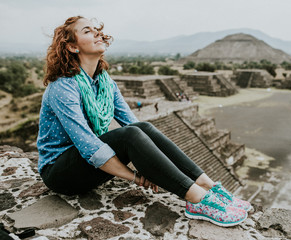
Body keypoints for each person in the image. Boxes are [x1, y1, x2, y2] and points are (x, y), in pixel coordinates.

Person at [36, 16, 250, 227]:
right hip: (60, 173)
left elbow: (136, 127)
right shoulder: (63, 87)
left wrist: (150, 164)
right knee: (129, 134)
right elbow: (88, 145)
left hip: (87, 166)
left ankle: (207, 185)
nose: (97, 33)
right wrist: (135, 177)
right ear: (72, 46)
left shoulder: (105, 83)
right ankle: (196, 199)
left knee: (142, 128)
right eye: (87, 31)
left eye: (97, 29)